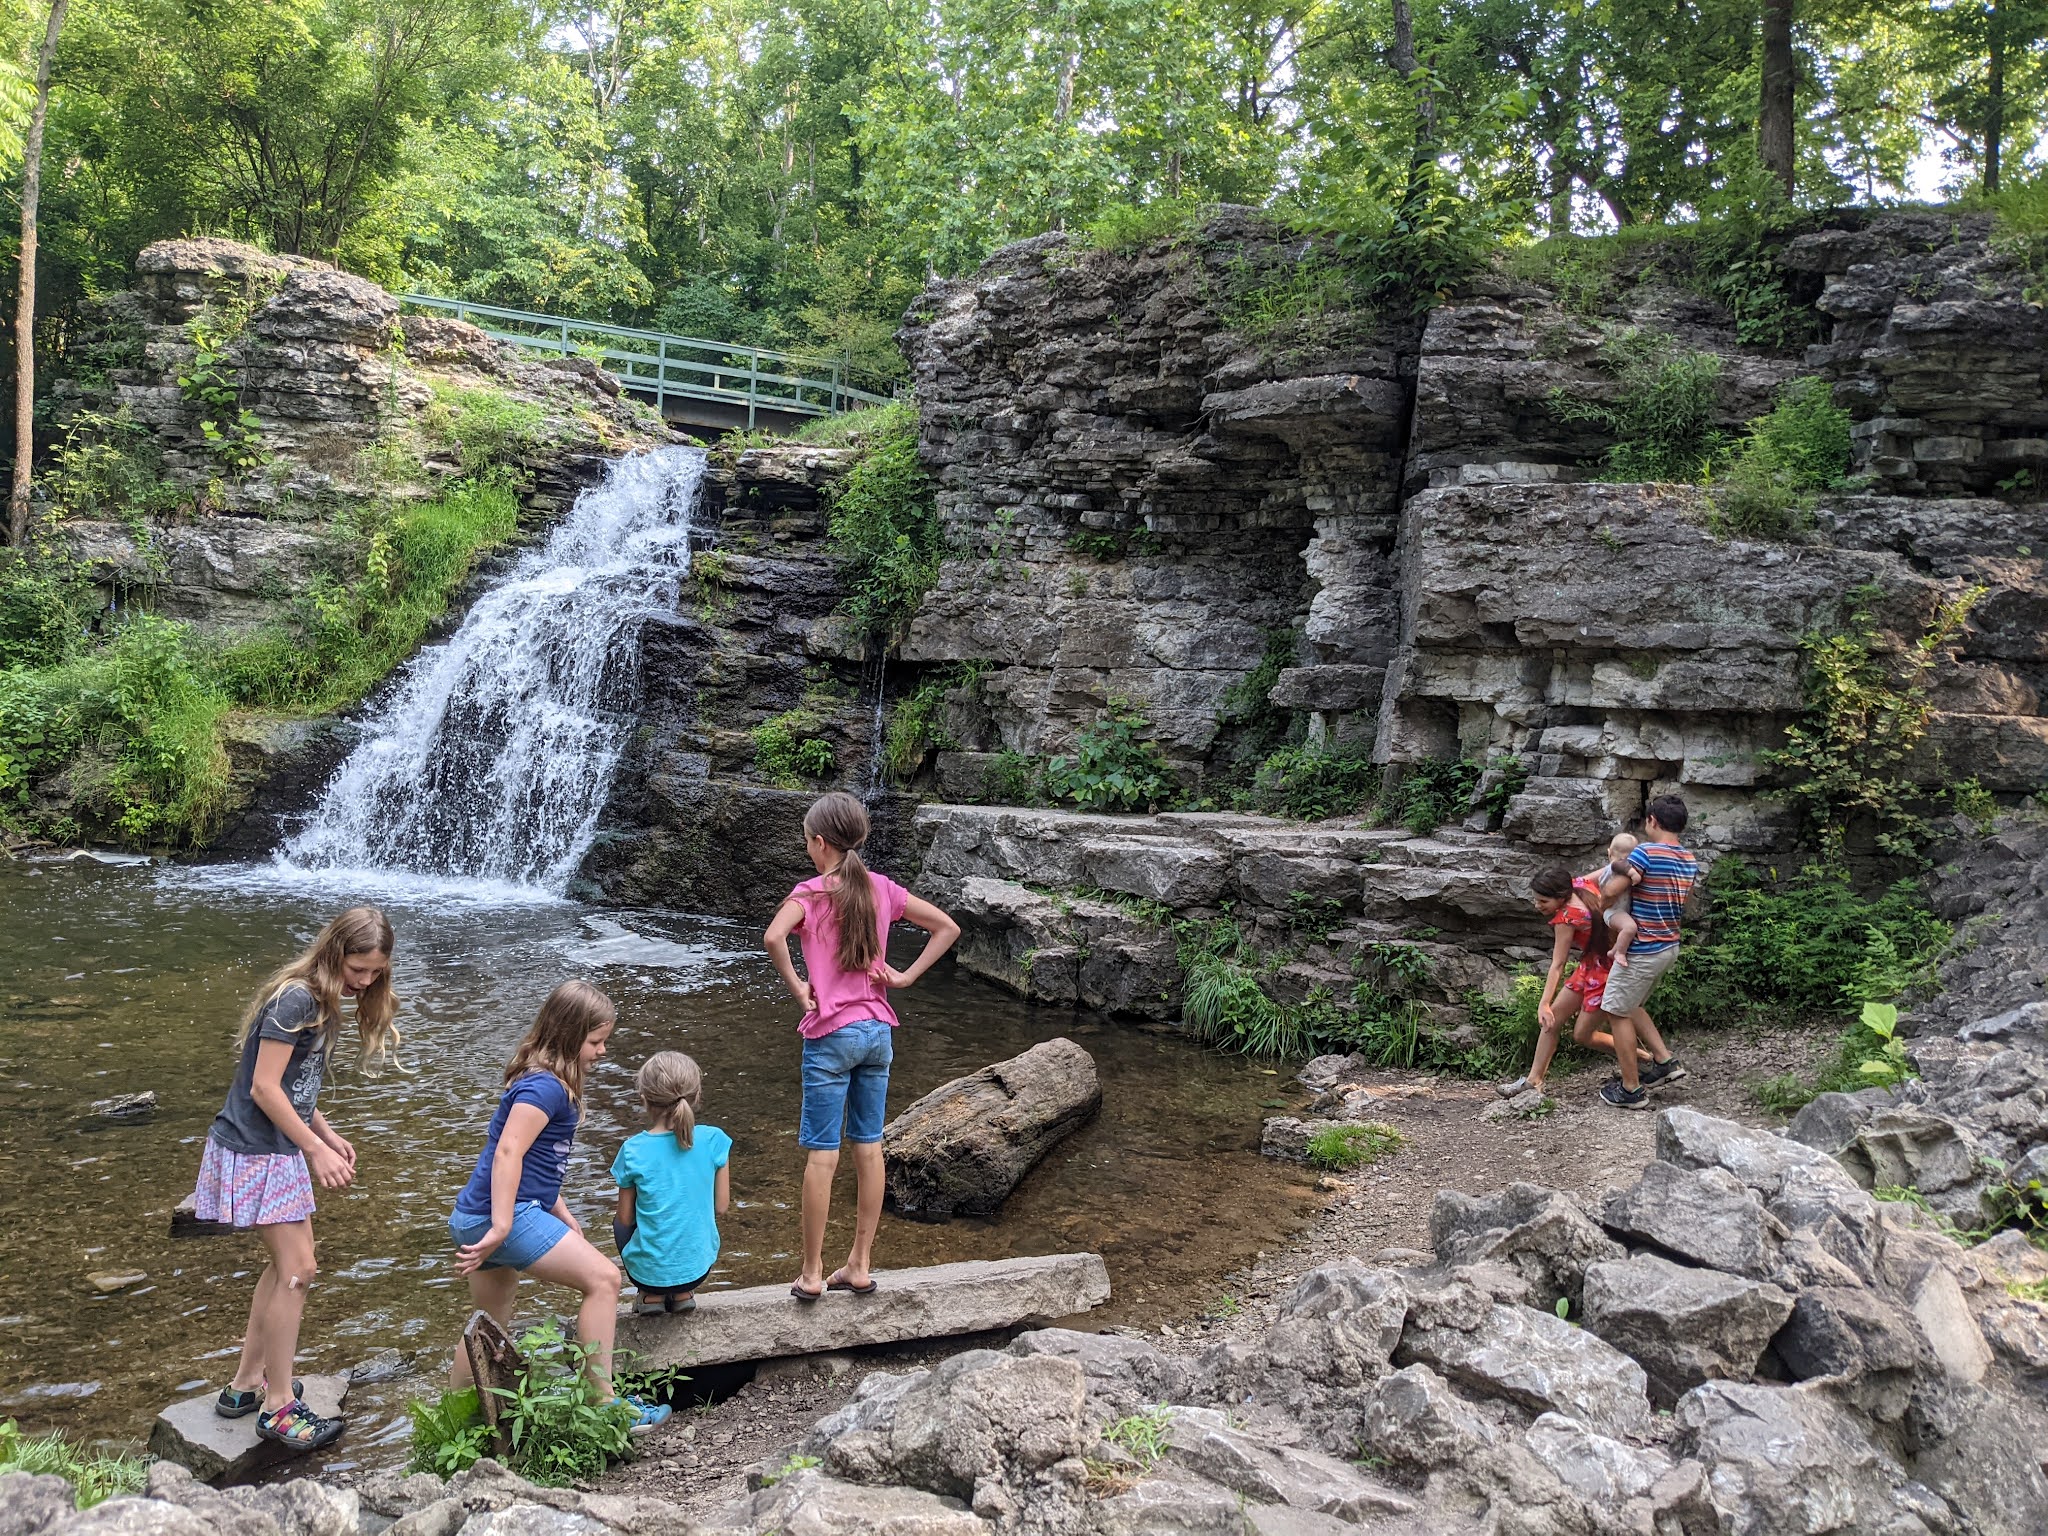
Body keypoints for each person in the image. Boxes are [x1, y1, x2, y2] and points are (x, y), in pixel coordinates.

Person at [191, 906, 398, 1454]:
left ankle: (245, 1385)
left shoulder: (323, 1000)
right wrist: (314, 1150)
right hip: (258, 1151)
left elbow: (293, 1087)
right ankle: (279, 1405)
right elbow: (263, 1087)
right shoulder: (298, 999)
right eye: (358, 969)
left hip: (277, 1148)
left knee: (288, 1267)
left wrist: (325, 1133)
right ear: (334, 953)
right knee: (298, 1271)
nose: (365, 982)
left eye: (375, 973)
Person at [763, 791, 960, 1302]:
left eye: (807, 842)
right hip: (877, 1032)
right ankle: (860, 1264)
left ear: (819, 842)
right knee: (869, 1148)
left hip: (831, 1035)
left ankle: (811, 1272)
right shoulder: (882, 888)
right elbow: (947, 927)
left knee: (822, 1156)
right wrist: (906, 977)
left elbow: (773, 938)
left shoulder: (811, 893)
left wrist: (798, 987)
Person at [447, 980, 669, 1432]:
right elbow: (508, 1152)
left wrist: (560, 1211)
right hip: (500, 1216)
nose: (602, 1051)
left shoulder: (540, 1078)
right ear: (568, 1036)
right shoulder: (546, 1088)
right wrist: (502, 1225)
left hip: (474, 1215)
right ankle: (603, 1406)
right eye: (595, 1042)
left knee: (488, 1325)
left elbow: (538, 1161)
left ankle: (455, 1421)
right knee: (604, 1280)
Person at [1495, 860, 1654, 1098]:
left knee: (1583, 1035)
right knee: (1553, 1020)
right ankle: (1533, 1081)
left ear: (1560, 897)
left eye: (1543, 901)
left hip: (1605, 972)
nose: (1537, 905)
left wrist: (1544, 1003)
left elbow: (1558, 964)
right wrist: (1630, 870)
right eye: (1536, 899)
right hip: (1591, 966)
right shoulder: (1581, 884)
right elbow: (1612, 866)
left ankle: (1643, 1059)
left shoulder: (1567, 918)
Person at [1592, 793, 1698, 1110]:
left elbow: (1612, 890)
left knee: (1616, 1010)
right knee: (1632, 1004)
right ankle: (1664, 1062)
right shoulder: (1688, 859)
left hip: (1643, 949)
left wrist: (1603, 903)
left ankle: (1631, 1089)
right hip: (1668, 945)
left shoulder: (1645, 852)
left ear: (1652, 820)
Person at [611, 1051, 731, 1316]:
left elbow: (625, 1218)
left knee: (619, 1224)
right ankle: (682, 1294)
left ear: (644, 1098)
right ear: (696, 1096)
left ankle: (650, 1296)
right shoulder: (714, 1140)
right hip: (697, 1270)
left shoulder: (632, 1150)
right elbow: (721, 1207)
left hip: (647, 1274)